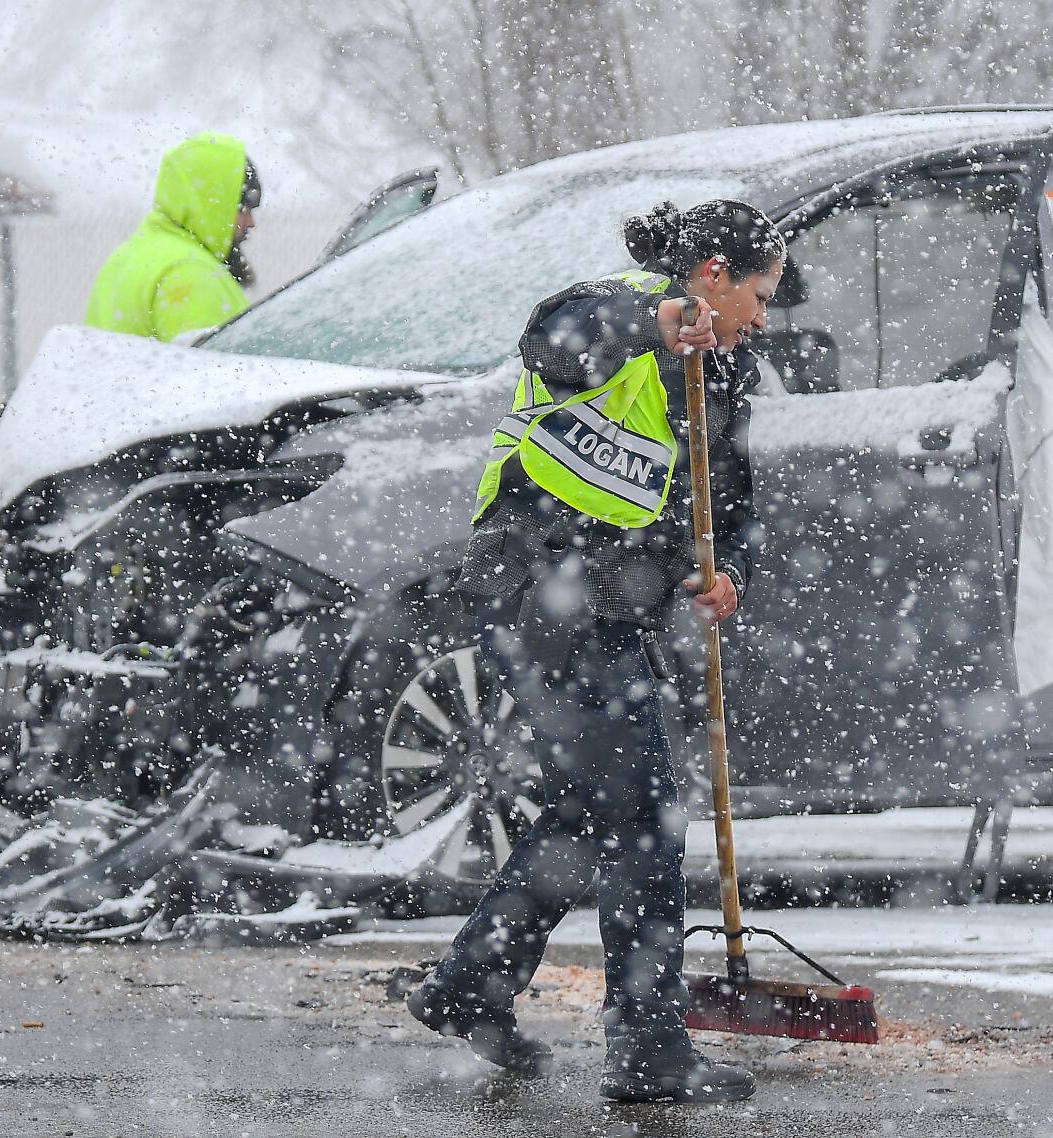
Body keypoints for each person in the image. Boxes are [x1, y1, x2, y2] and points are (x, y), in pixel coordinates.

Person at [406, 199, 785, 1103]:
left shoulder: (724, 372)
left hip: (606, 605)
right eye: (759, 295)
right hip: (535, 582)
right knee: (646, 811)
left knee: (594, 812)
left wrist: (722, 564)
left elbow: (724, 492)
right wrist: (654, 328)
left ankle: (468, 987)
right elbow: (555, 342)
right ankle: (647, 1048)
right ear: (712, 277)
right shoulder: (614, 304)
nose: (762, 317)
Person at [85, 131, 261, 342]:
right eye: (243, 208)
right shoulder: (191, 275)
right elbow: (212, 371)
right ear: (213, 203)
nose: (251, 222)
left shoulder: (129, 257)